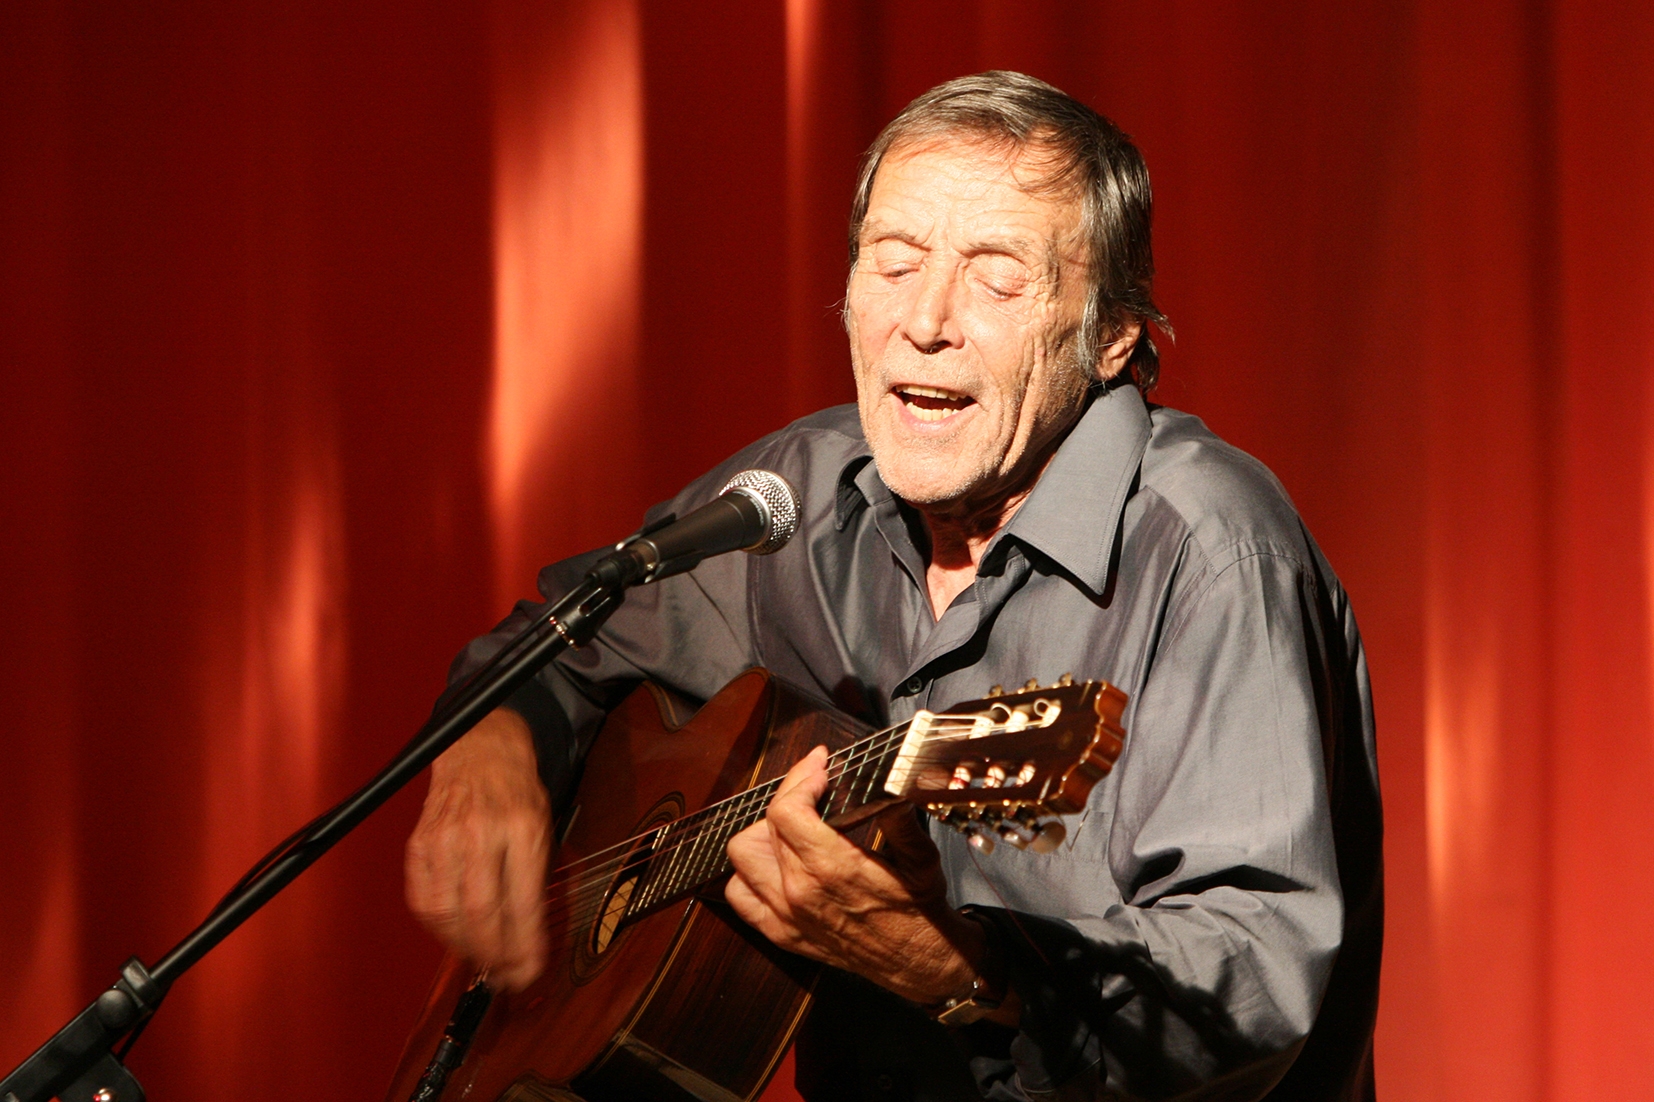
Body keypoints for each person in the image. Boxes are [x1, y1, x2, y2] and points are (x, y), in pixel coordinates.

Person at [404, 71, 1381, 1101]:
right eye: (895, 261)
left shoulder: (1212, 550)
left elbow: (1255, 980)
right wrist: (491, 747)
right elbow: (562, 640)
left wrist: (966, 972)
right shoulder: (798, 499)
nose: (925, 320)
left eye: (997, 278)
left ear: (1110, 338)